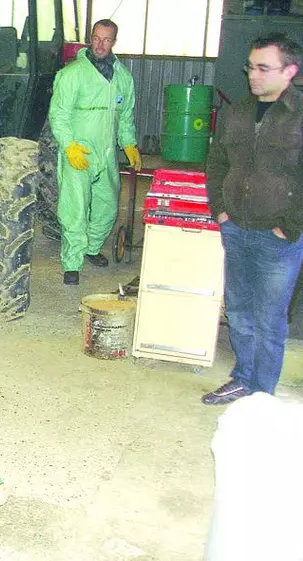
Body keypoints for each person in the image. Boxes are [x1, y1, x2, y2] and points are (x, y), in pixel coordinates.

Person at [201, 33, 302, 405]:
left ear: (289, 71)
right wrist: (220, 210)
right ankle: (243, 377)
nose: (253, 75)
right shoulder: (237, 112)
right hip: (236, 229)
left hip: (278, 238)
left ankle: (262, 395)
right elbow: (216, 164)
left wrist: (289, 225)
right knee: (240, 312)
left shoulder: (300, 116)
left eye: (264, 68)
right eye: (250, 67)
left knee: (269, 321)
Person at [48, 19, 141, 286]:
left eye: (107, 39)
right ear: (91, 38)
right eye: (96, 38)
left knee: (108, 205)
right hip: (80, 150)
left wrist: (130, 144)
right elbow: (59, 114)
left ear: (114, 41)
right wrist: (68, 146)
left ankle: (91, 247)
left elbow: (125, 116)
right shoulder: (72, 74)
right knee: (75, 208)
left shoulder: (123, 77)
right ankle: (72, 262)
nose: (101, 44)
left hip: (107, 151)